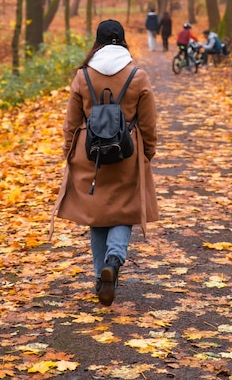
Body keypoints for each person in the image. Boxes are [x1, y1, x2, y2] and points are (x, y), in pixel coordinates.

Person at [50, 20, 158, 306]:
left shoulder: (83, 76)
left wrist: (68, 152)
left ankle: (101, 278)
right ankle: (115, 258)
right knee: (125, 211)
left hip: (90, 154)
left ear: (97, 42)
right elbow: (148, 122)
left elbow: (71, 122)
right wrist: (147, 152)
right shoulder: (137, 75)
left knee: (96, 217)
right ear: (122, 40)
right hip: (127, 152)